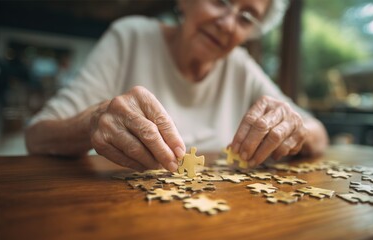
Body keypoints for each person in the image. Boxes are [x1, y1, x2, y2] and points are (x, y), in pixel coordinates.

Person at [25, 0, 329, 173]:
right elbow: (37, 136)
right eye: (220, 1)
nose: (227, 23)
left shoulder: (240, 65)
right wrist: (91, 121)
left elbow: (315, 132)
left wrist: (293, 127)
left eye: (246, 17)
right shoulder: (129, 37)